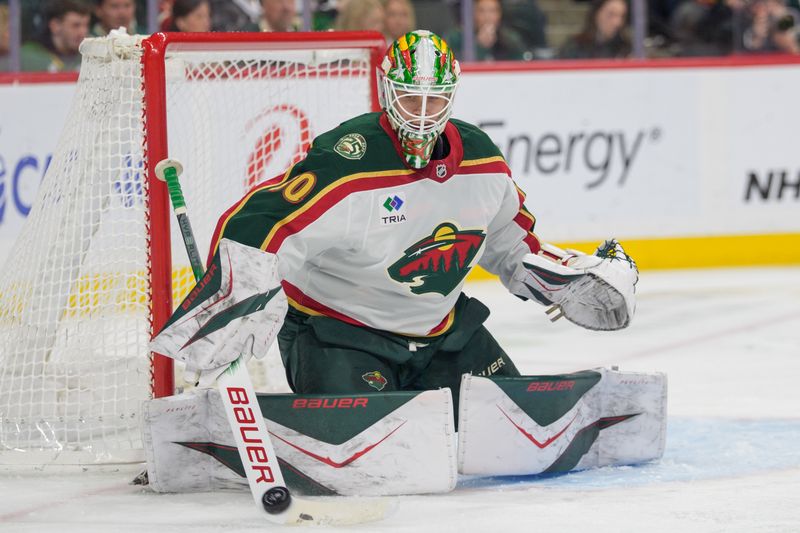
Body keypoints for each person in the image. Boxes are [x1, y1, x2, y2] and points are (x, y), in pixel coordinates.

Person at [196, 30, 638, 416]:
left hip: (442, 337)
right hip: (338, 335)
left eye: (435, 99)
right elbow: (263, 222)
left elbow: (508, 240)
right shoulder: (349, 159)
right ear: (387, 90)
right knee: (372, 442)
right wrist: (237, 297)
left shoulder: (482, 159)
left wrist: (555, 280)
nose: (422, 113)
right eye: (410, 97)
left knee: (512, 420)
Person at [21, 0, 90, 72]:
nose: (83, 32)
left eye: (86, 25)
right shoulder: (27, 56)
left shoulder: (91, 55)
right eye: (76, 25)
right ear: (55, 26)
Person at [446, 0, 528, 61]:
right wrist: (480, 46)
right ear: (473, 13)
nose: (487, 16)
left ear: (500, 14)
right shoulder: (457, 37)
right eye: (482, 11)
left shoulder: (511, 38)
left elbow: (520, 62)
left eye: (492, 11)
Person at [558, 0, 632, 59]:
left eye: (622, 16)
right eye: (611, 14)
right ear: (596, 14)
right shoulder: (575, 46)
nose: (617, 22)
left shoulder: (626, 49)